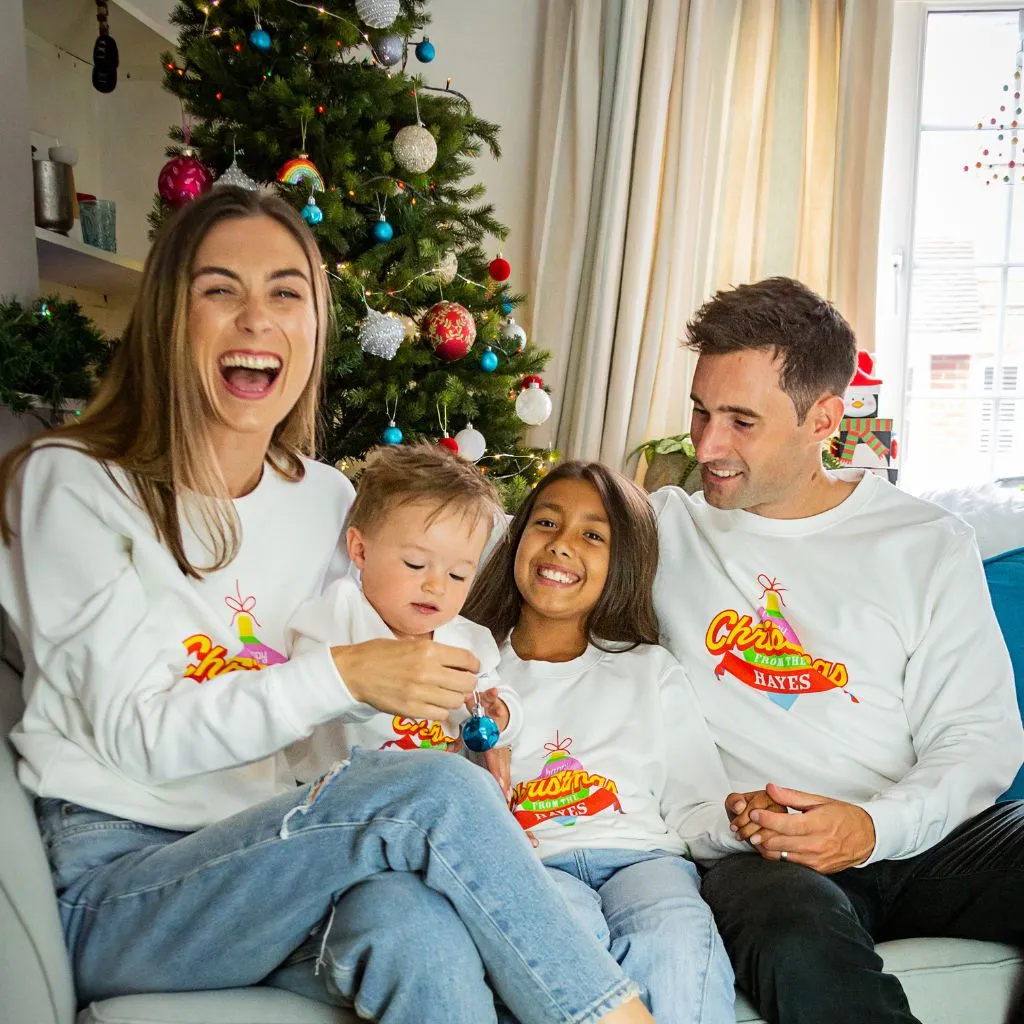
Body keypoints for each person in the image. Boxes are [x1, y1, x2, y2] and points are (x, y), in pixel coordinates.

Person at [0, 186, 656, 1024]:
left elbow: (336, 725)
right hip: (125, 885)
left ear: (314, 327)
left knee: (420, 933)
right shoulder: (73, 482)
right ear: (170, 315)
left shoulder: (326, 499)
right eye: (218, 290)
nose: (256, 319)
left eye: (285, 293)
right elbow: (139, 735)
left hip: (285, 856)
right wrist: (351, 676)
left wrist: (452, 726)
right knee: (431, 798)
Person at [649, 276, 1024, 1024]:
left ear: (823, 418)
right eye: (700, 411)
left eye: (740, 421)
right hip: (767, 853)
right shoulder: (659, 530)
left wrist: (873, 827)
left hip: (922, 834)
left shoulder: (923, 543)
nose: (707, 445)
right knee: (790, 930)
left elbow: (980, 738)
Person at [465, 460, 740, 1024]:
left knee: (678, 934)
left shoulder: (651, 669)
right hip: (536, 866)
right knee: (561, 934)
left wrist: (744, 821)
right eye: (546, 523)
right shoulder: (472, 667)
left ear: (623, 562)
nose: (563, 546)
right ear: (516, 540)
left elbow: (695, 804)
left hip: (645, 860)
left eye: (593, 535)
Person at [285, 441, 520, 772]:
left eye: (458, 574)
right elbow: (306, 697)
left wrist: (503, 713)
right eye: (414, 564)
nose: (436, 586)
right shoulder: (338, 614)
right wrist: (368, 683)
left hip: (426, 796)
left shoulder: (466, 641)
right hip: (332, 795)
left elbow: (495, 692)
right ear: (360, 551)